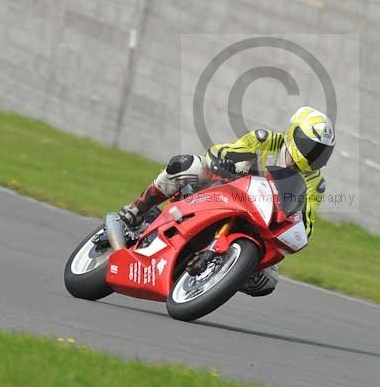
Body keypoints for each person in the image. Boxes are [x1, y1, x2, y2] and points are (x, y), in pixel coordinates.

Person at [118, 106, 335, 297]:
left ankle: (222, 274)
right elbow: (222, 151)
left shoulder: (315, 182)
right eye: (311, 146)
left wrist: (294, 226)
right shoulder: (264, 140)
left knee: (266, 281)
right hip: (225, 190)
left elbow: (306, 225)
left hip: (259, 223)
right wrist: (227, 162)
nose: (315, 155)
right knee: (186, 165)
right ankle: (136, 211)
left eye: (322, 152)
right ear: (293, 135)